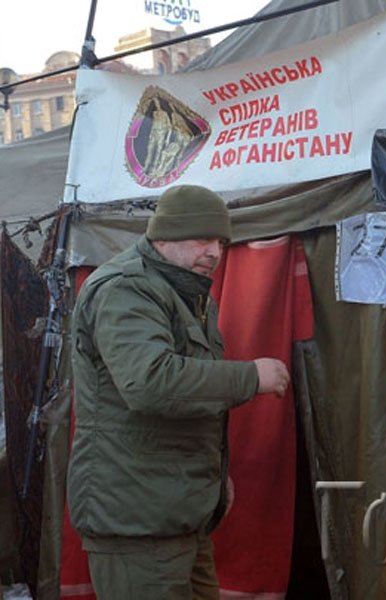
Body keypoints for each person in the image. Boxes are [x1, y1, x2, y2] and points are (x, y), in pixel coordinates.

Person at [66, 184, 290, 600]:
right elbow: (150, 382)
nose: (215, 253)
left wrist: (213, 478)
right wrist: (250, 378)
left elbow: (190, 403)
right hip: (137, 524)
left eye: (221, 242)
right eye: (203, 239)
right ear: (164, 236)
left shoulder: (185, 293)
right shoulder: (124, 288)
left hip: (178, 516)